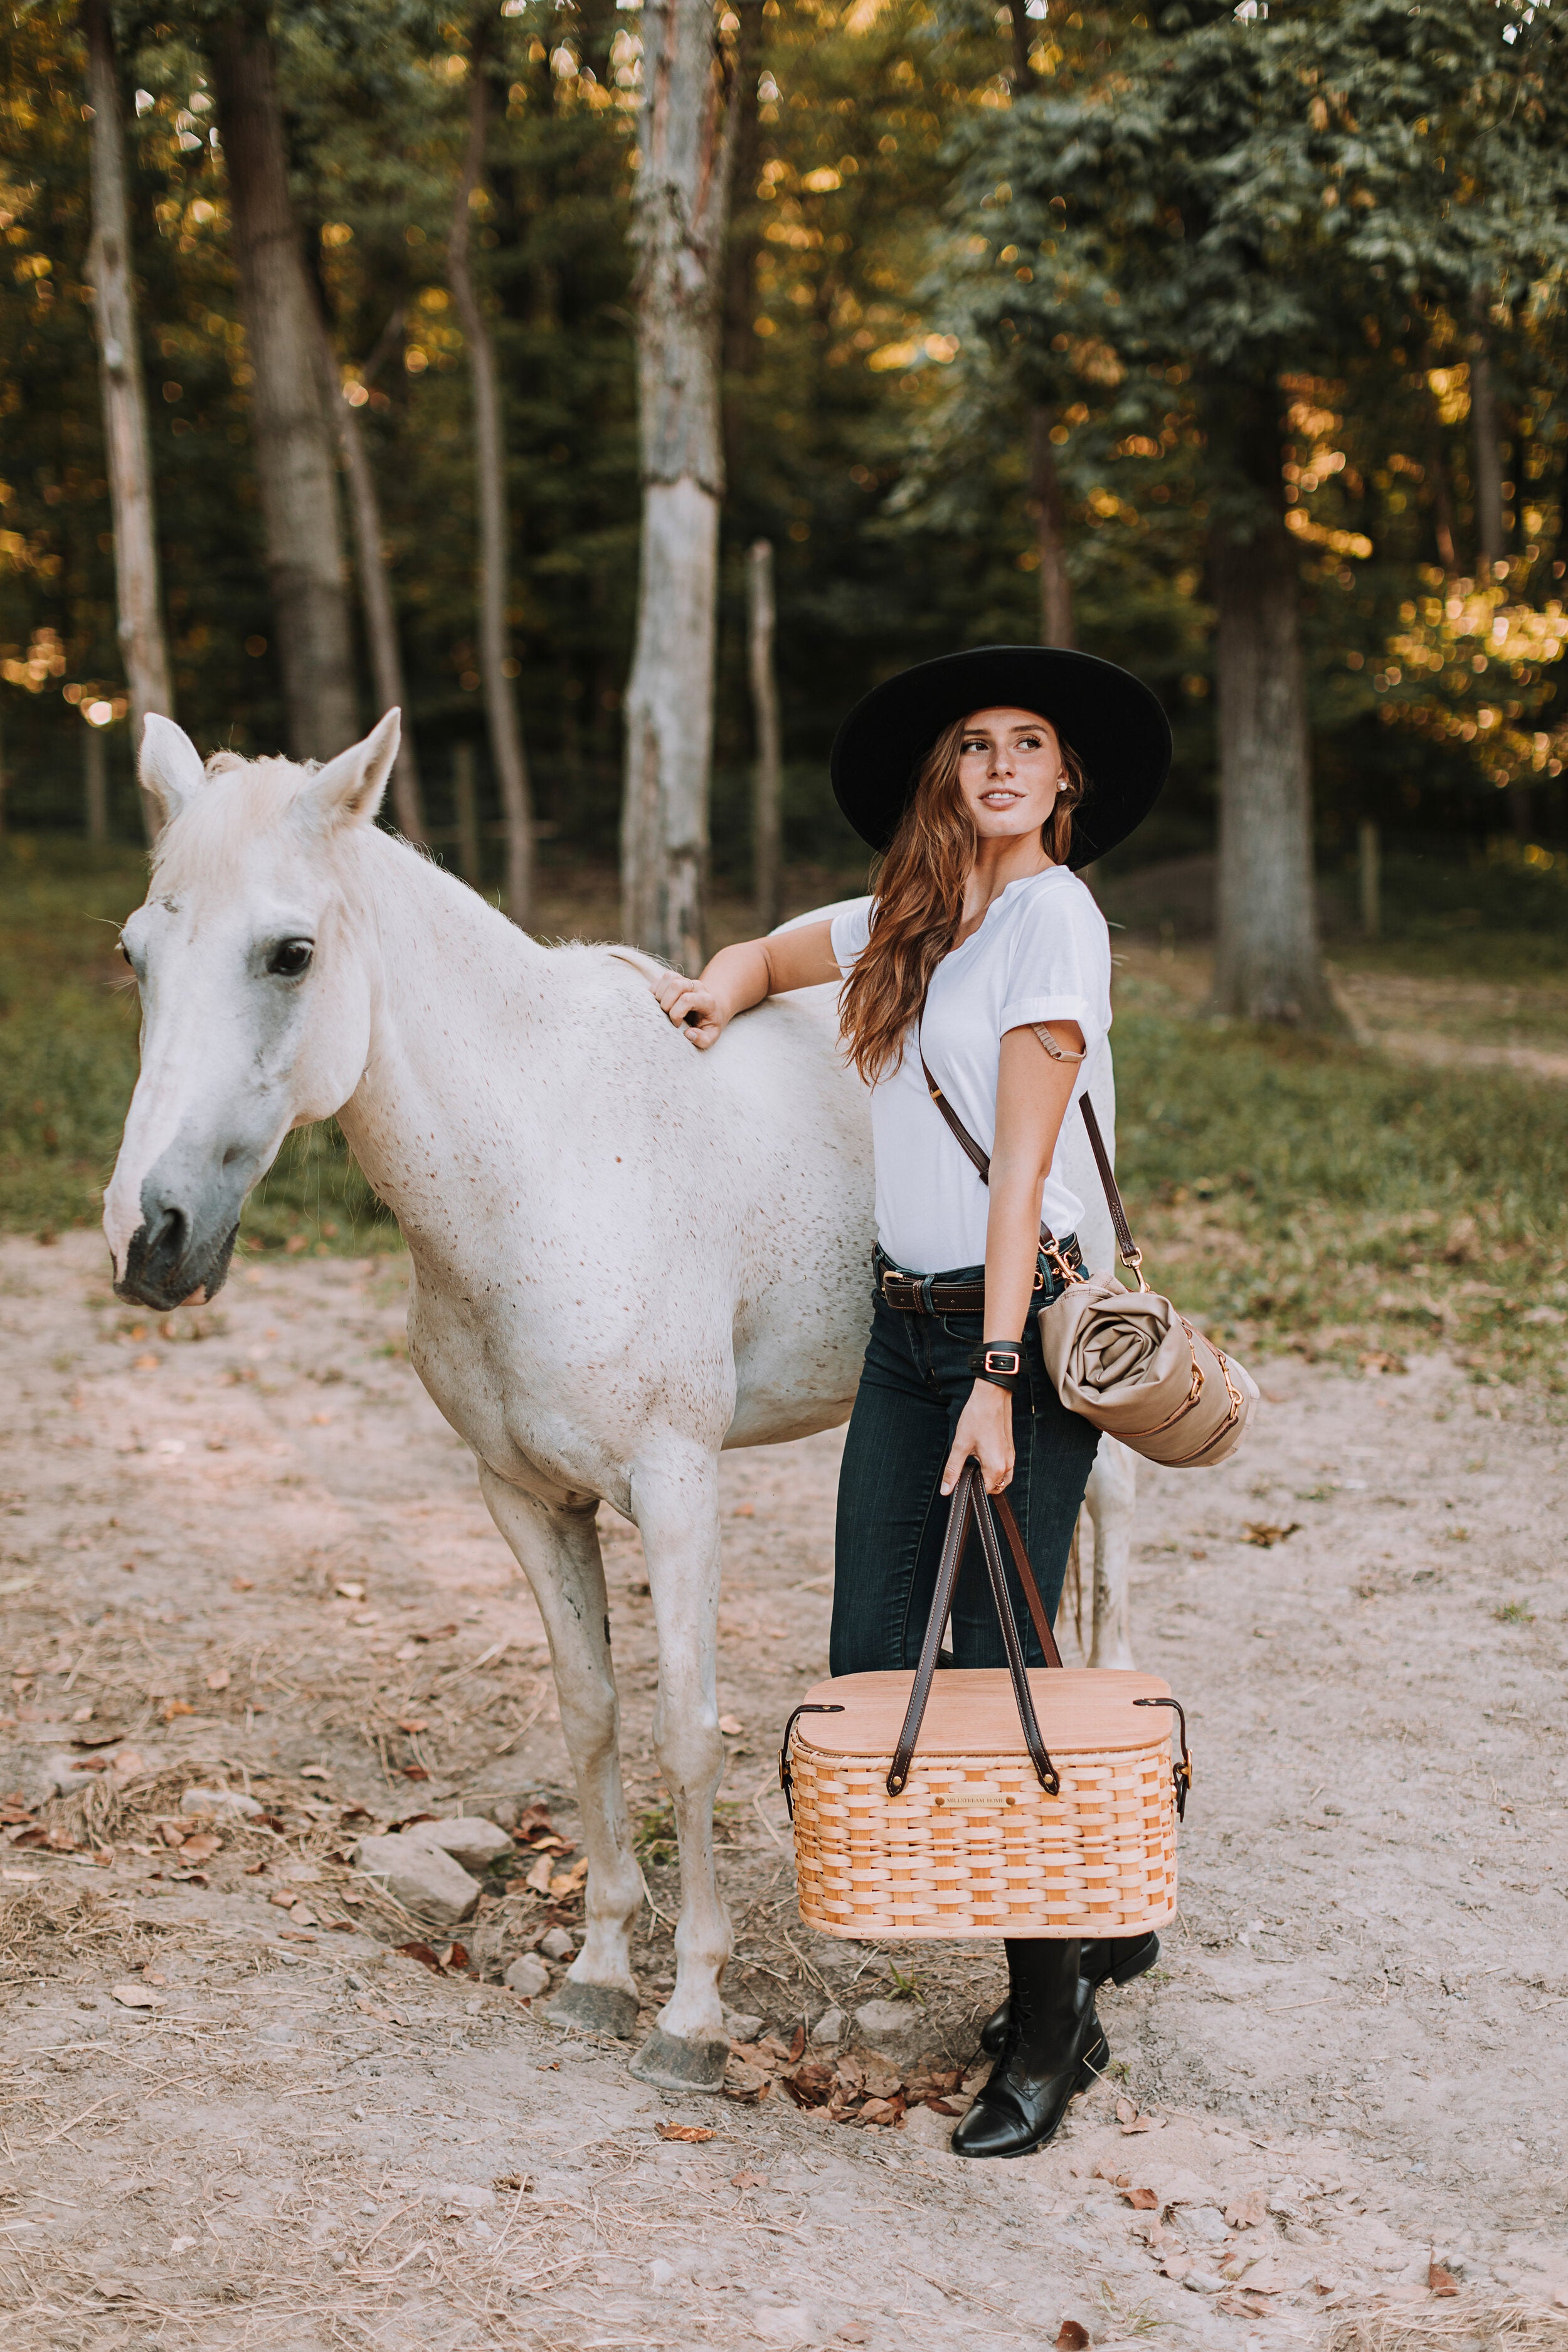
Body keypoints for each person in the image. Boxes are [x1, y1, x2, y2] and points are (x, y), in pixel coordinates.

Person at [650, 645, 1170, 2159]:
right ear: (944, 775)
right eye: (973, 745)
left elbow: (1021, 1166)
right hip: (899, 1334)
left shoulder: (1055, 921)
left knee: (1003, 1675)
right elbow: (766, 955)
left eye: (1029, 744)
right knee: (872, 1662)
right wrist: (711, 993)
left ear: (1066, 781)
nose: (1000, 765)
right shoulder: (908, 917)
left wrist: (1000, 1380)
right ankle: (1066, 1931)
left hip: (1012, 1337)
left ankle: (1053, 2010)